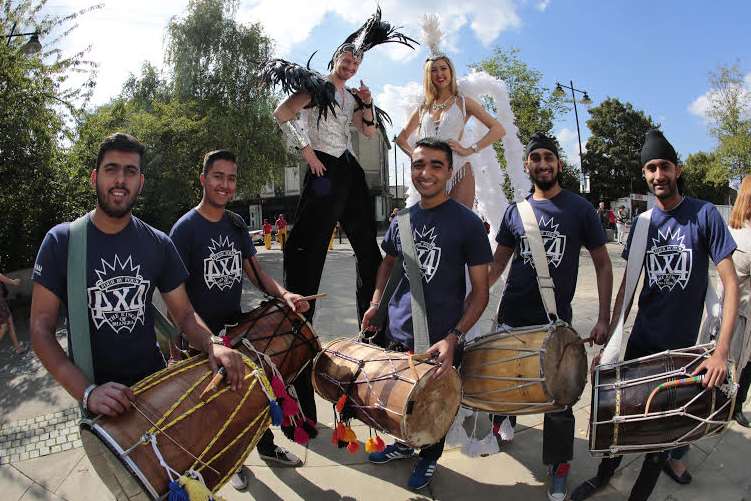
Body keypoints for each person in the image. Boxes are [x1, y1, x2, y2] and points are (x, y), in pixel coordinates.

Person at [571, 129, 738, 501]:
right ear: (645, 175)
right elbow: (627, 289)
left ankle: (642, 492)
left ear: (677, 170)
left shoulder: (705, 214)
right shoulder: (644, 223)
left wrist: (721, 352)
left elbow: (731, 285)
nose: (658, 174)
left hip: (685, 352)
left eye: (664, 166)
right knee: (621, 418)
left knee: (661, 432)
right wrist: (612, 343)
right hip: (642, 343)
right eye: (651, 168)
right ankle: (603, 475)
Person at [30, 132, 244, 421]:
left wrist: (212, 343)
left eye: (130, 171)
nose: (120, 180)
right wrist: (87, 392)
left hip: (155, 391)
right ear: (95, 178)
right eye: (111, 170)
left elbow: (183, 313)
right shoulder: (62, 242)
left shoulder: (157, 243)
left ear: (140, 183)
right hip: (99, 402)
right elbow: (41, 328)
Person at [263, 8, 416, 324]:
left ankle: (371, 321)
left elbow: (369, 130)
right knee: (308, 246)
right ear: (335, 60)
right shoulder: (317, 88)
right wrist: (308, 152)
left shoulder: (351, 96)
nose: (350, 67)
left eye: (356, 63)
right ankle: (299, 326)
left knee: (367, 248)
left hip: (349, 170)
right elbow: (281, 113)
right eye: (346, 62)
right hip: (323, 170)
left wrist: (369, 102)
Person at [169, 149, 310, 490]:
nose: (225, 184)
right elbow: (178, 300)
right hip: (202, 338)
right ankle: (229, 463)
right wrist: (200, 341)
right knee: (218, 407)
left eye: (231, 178)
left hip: (238, 329)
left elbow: (256, 273)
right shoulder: (184, 230)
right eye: (218, 176)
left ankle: (266, 448)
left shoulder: (235, 224)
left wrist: (285, 294)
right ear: (203, 179)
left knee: (254, 394)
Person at [487, 132, 613, 501]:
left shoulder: (580, 209)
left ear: (559, 164)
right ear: (527, 165)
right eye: (535, 158)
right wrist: (472, 299)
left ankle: (558, 467)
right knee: (505, 380)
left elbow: (604, 264)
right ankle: (502, 420)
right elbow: (498, 263)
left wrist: (603, 317)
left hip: (555, 321)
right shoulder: (516, 211)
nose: (542, 164)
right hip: (512, 315)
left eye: (549, 158)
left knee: (560, 399)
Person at [361, 137, 492, 490]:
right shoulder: (401, 219)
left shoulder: (468, 224)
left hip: (442, 342)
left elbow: (481, 293)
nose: (426, 172)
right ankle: (404, 445)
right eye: (419, 164)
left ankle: (429, 458)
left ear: (449, 171)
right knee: (401, 400)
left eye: (436, 164)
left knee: (435, 410)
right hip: (398, 335)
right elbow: (387, 266)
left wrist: (455, 337)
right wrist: (376, 303)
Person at [725, 175, 751, 428]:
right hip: (742, 313)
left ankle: (733, 405)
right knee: (738, 364)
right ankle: (731, 406)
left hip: (737, 310)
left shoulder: (733, 229)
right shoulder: (743, 235)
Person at [0, 272, 25, 354]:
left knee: (10, 323)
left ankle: (18, 347)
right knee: (4, 327)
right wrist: (14, 281)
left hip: (2, 302)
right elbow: (10, 281)